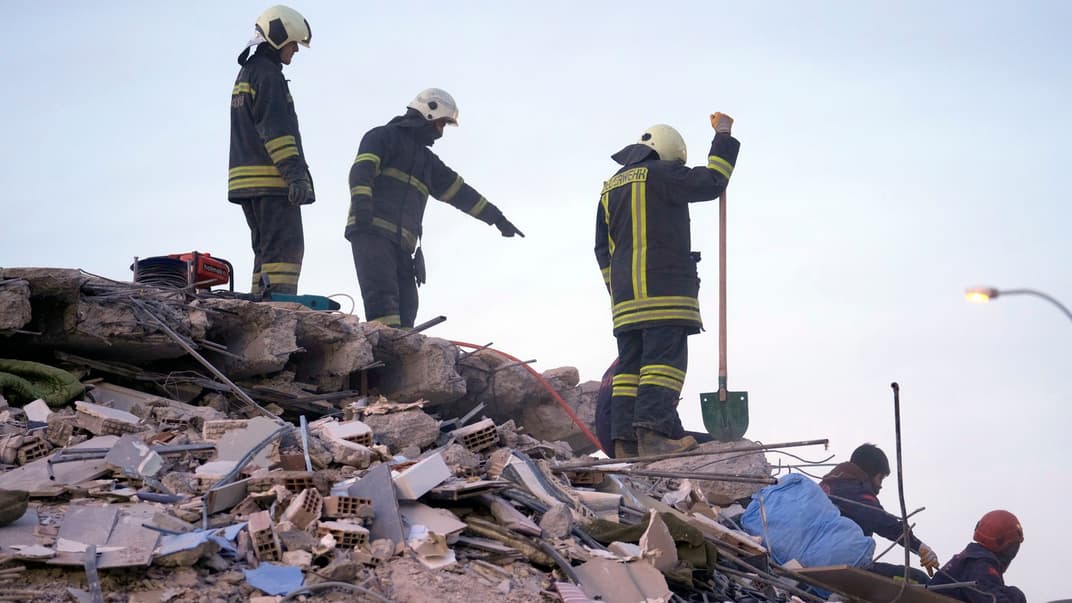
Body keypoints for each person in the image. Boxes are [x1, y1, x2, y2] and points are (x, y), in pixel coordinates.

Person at [594, 114, 739, 457]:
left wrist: (617, 292)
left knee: (630, 369)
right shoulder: (663, 174)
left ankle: (625, 442)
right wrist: (723, 135)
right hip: (665, 294)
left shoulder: (609, 188)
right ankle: (654, 436)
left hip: (626, 302)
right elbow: (713, 181)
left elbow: (602, 250)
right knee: (664, 365)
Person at [346, 88, 523, 328]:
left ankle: (401, 355)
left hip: (403, 245)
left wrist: (496, 218)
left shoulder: (427, 161)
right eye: (441, 123)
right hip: (371, 233)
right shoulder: (382, 137)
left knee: (408, 306)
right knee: (383, 300)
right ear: (428, 112)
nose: (441, 131)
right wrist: (362, 206)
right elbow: (361, 172)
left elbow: (461, 193)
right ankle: (387, 360)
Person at [228, 5, 314, 295]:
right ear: (279, 37)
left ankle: (261, 305)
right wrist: (295, 176)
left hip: (248, 184)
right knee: (285, 250)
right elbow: (276, 131)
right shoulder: (268, 75)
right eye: (293, 43)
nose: (296, 51)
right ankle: (279, 308)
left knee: (265, 252)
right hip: (272, 181)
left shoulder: (248, 73)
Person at [819, 443, 939, 581]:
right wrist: (920, 547)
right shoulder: (855, 491)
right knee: (919, 580)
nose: (880, 486)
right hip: (843, 567)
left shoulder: (826, 486)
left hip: (814, 563)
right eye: (880, 478)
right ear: (870, 473)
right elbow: (883, 522)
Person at [928, 510, 1026, 603]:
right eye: (1013, 546)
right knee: (1016, 595)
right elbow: (991, 598)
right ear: (1005, 546)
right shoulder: (981, 566)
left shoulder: (971, 557)